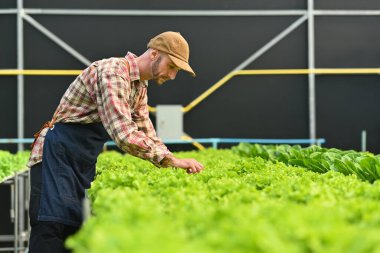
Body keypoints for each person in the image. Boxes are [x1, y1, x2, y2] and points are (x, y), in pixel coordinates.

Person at [27, 31, 204, 253]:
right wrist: (170, 160)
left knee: (73, 229)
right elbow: (123, 133)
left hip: (79, 159)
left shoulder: (139, 86)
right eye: (171, 66)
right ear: (155, 54)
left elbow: (145, 130)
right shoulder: (113, 73)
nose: (172, 76)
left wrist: (170, 158)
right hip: (56, 154)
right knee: (51, 227)